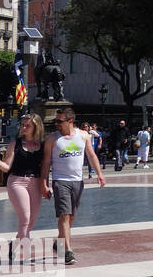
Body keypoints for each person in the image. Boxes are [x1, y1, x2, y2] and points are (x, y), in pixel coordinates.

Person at [41, 107, 106, 266]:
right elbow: (46, 162)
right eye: (55, 121)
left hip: (77, 181)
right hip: (60, 180)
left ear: (70, 121)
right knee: (64, 214)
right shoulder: (52, 139)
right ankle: (67, 251)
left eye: (59, 121)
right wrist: (44, 183)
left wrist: (100, 174)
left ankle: (59, 242)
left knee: (71, 216)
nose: (56, 124)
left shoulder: (83, 136)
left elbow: (91, 155)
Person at [0, 114, 46, 264]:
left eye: (27, 125)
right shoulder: (16, 144)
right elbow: (7, 167)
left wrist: (46, 184)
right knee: (25, 218)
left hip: (35, 182)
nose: (23, 128)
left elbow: (45, 167)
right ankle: (27, 254)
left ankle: (14, 245)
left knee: (31, 222)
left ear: (36, 127)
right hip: (17, 182)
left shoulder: (42, 145)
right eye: (22, 125)